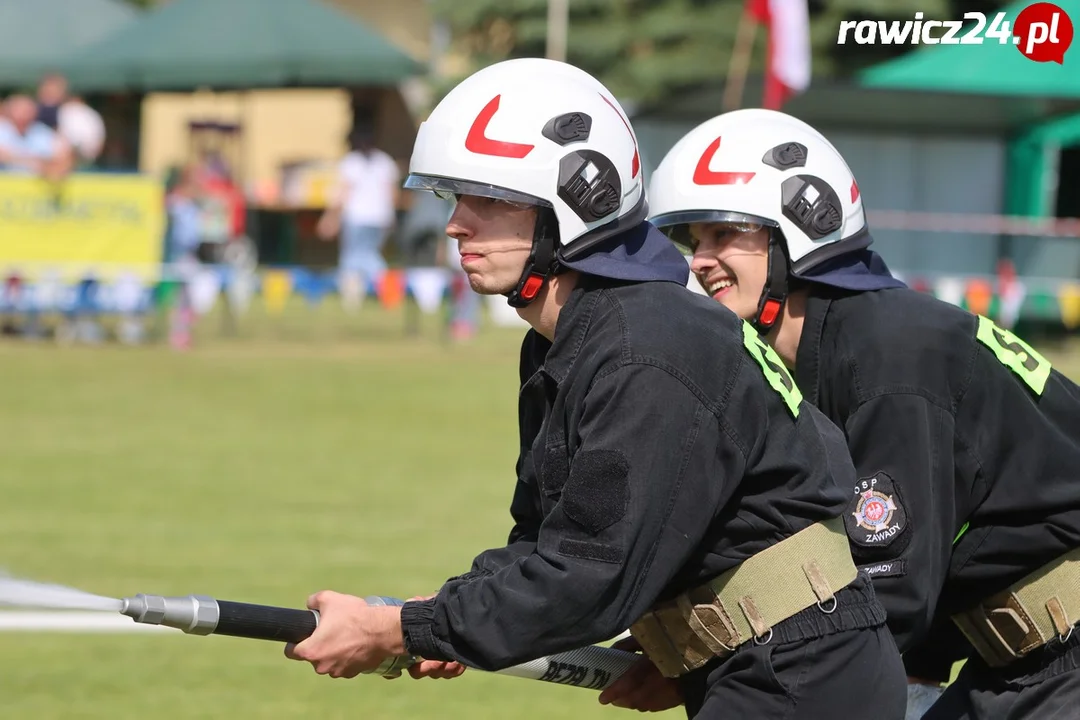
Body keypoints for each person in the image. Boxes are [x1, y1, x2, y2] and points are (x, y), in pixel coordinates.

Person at [283, 59, 905, 719]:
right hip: (749, 660)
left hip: (802, 674)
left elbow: (589, 574)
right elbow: (547, 538)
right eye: (452, 198)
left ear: (577, 204)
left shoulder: (647, 351)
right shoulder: (572, 340)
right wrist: (446, 618)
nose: (455, 225)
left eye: (488, 199)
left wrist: (400, 629)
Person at [607, 107, 1080, 719]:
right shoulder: (825, 350)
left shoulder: (889, 353)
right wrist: (683, 642)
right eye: (694, 241)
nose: (699, 260)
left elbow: (889, 590)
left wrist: (708, 662)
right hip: (1017, 658)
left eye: (724, 233)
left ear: (802, 223)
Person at [317, 127, 400, 289]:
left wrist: (329, 218)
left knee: (353, 256)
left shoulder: (351, 162)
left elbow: (342, 194)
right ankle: (382, 286)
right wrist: (392, 216)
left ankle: (359, 290)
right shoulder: (386, 162)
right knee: (370, 254)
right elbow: (393, 195)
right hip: (380, 217)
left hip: (357, 217)